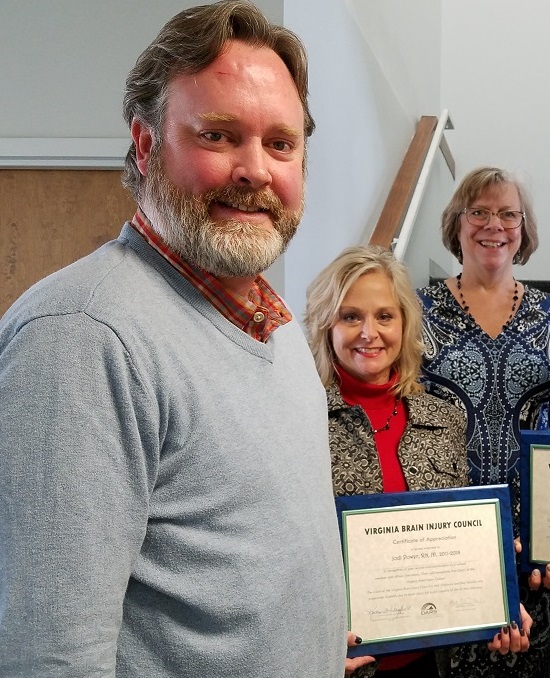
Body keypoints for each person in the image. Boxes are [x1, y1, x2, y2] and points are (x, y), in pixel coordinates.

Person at [0, 2, 348, 675]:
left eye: (281, 143)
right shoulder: (83, 338)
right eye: (218, 136)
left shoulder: (270, 324)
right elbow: (51, 656)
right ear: (145, 142)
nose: (255, 170)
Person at [303, 245, 531, 677]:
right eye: (351, 316)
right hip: (335, 659)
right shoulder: (299, 420)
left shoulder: (443, 418)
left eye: (385, 316)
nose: (369, 332)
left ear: (405, 324)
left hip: (427, 661)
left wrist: (497, 596)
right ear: (325, 325)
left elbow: (457, 538)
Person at [418, 166, 550, 677]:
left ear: (524, 228)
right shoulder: (419, 311)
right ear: (456, 225)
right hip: (446, 521)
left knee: (525, 653)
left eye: (509, 213)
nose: (495, 225)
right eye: (479, 212)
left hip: (528, 528)